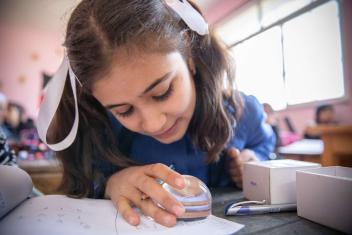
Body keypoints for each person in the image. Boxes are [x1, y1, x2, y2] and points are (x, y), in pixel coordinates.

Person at [37, 0, 276, 227]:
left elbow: (265, 144)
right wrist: (110, 184)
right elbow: (83, 182)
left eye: (162, 92)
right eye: (124, 110)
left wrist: (254, 160)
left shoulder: (243, 112)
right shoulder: (100, 132)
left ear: (189, 54)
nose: (153, 124)